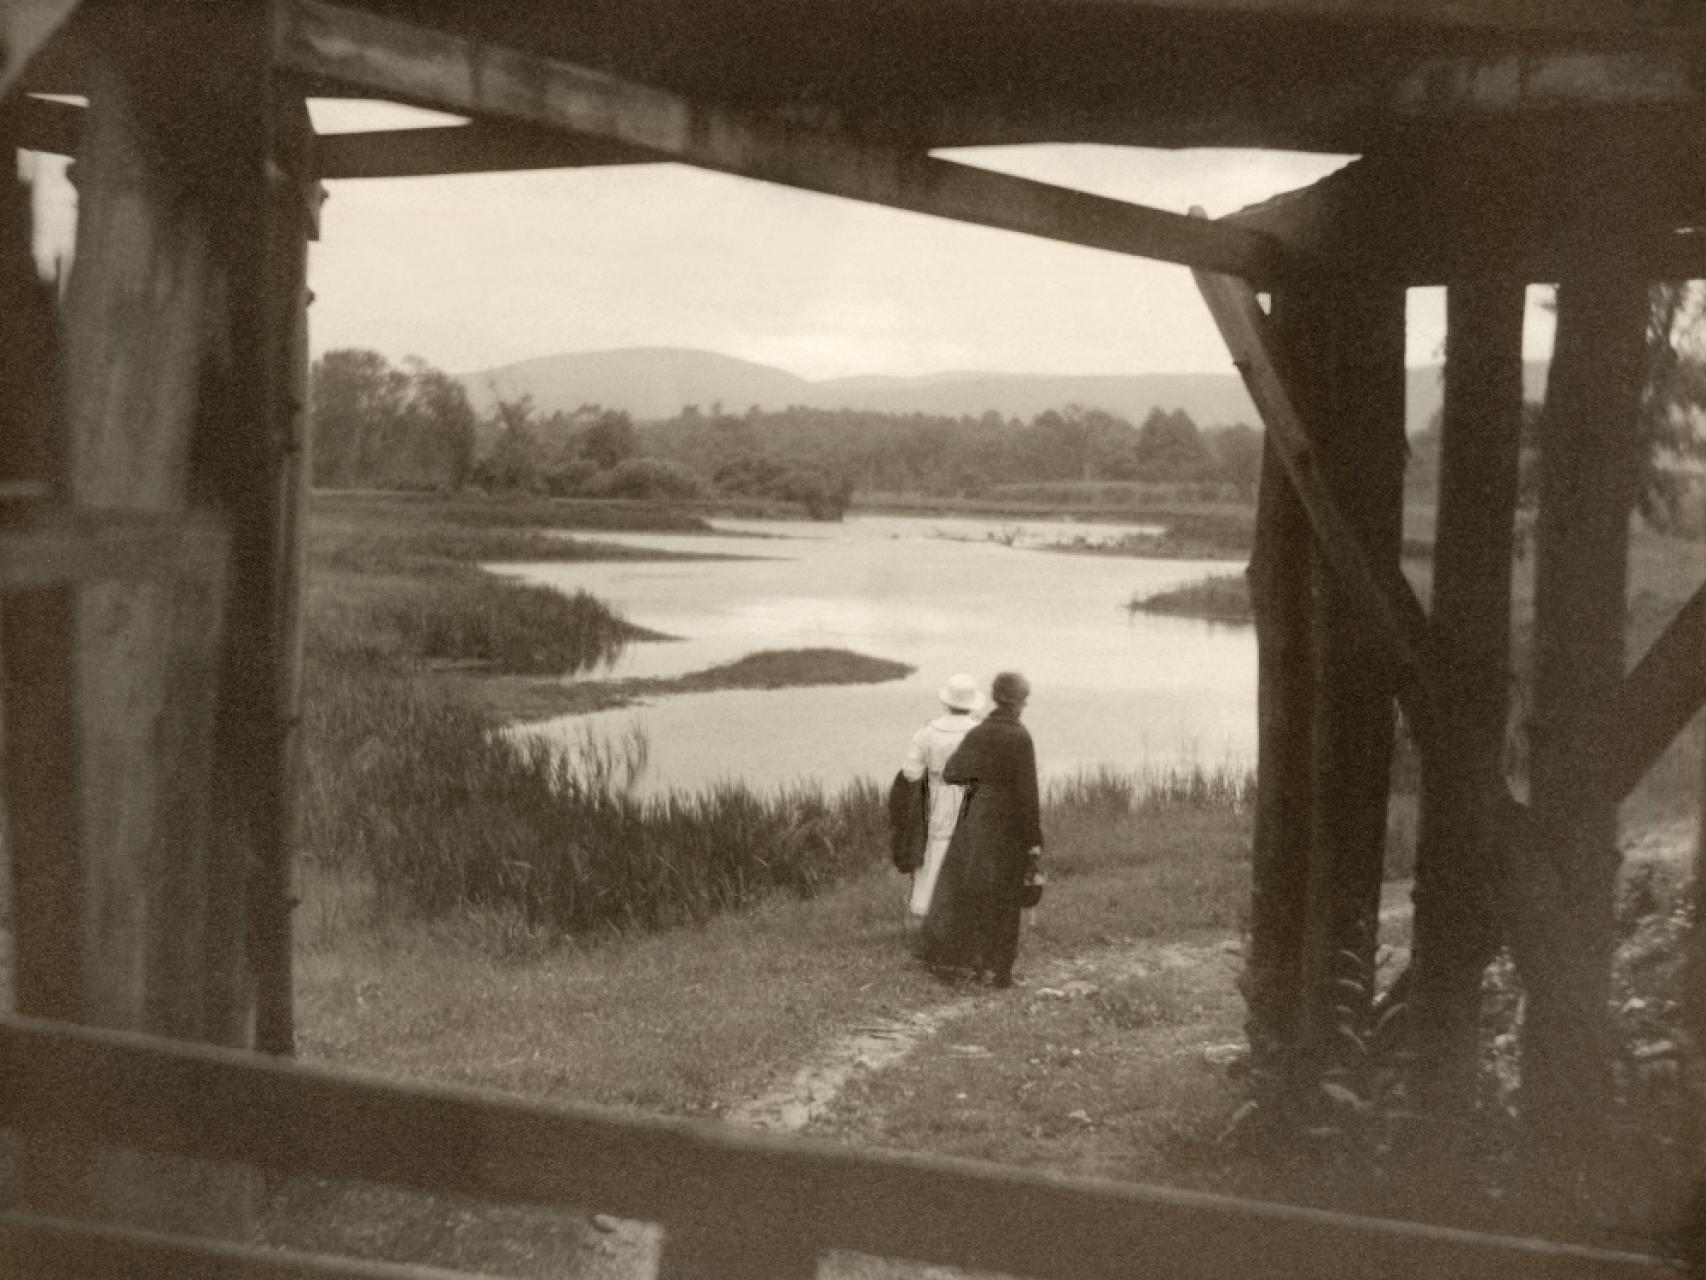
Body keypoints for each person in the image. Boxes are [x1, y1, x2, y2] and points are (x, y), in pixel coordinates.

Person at [918, 670, 1043, 989]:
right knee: (1006, 896)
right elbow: (1028, 794)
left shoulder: (979, 732)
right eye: (1024, 699)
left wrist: (981, 785)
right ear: (1016, 701)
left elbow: (951, 773)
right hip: (1008, 823)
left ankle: (967, 964)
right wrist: (1034, 841)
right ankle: (1000, 972)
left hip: (975, 819)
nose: (1025, 704)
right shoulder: (1019, 736)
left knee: (972, 890)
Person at [899, 673, 985, 929]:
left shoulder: (928, 731)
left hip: (938, 796)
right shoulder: (979, 732)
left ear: (947, 702)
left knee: (935, 850)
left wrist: (933, 772)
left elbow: (910, 771)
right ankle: (968, 915)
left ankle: (926, 912)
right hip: (972, 798)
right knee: (970, 850)